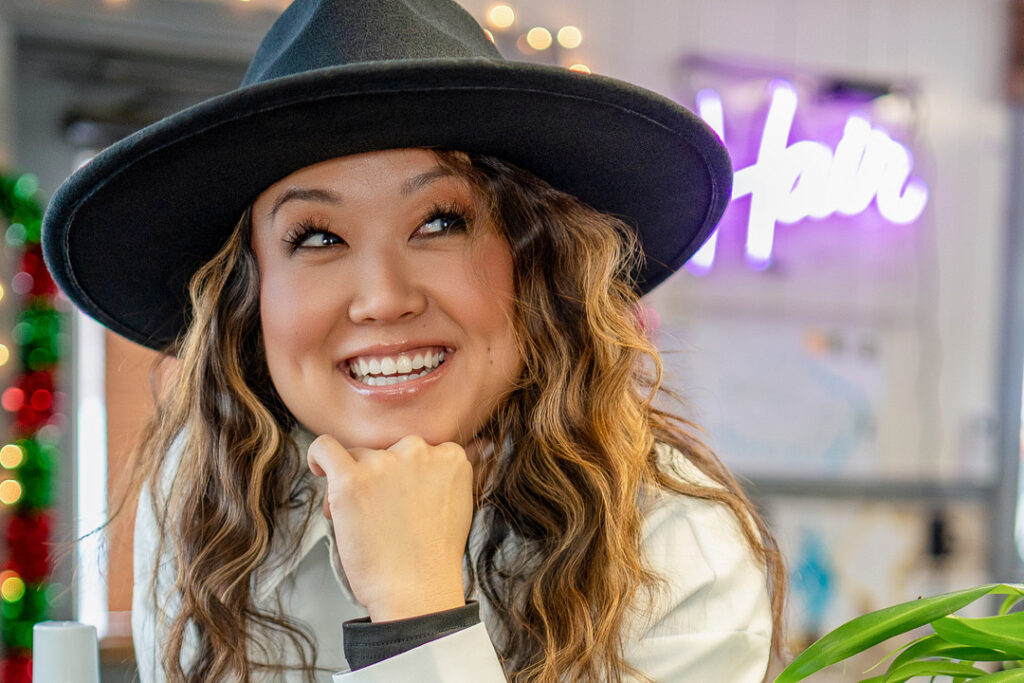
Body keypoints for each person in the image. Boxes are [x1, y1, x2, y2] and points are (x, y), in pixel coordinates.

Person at [41, 0, 785, 681]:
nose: (384, 298)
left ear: (534, 262)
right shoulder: (207, 498)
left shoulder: (678, 548)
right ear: (250, 297)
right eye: (317, 236)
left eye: (440, 222)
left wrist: (415, 607)